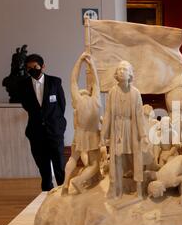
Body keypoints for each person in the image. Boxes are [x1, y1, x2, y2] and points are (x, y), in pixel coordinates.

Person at [101, 60, 148, 200]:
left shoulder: (135, 93)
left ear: (130, 74)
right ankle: (117, 190)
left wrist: (143, 135)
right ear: (116, 73)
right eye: (119, 69)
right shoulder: (112, 92)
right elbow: (108, 114)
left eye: (125, 69)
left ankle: (139, 190)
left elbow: (139, 115)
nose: (121, 71)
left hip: (131, 128)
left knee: (135, 158)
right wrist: (103, 134)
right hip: (117, 129)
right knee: (117, 159)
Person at [20, 54, 66, 191]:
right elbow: (26, 106)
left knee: (59, 165)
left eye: (35, 67)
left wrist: (59, 126)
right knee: (43, 166)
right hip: (36, 132)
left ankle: (63, 192)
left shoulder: (55, 82)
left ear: (42, 66)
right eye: (29, 68)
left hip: (55, 131)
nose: (32, 70)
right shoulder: (23, 85)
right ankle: (46, 193)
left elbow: (62, 106)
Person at [62, 52, 101, 195]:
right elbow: (97, 82)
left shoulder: (78, 101)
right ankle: (78, 181)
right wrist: (92, 65)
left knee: (73, 158)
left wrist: (79, 61)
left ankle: (65, 184)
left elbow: (73, 80)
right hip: (92, 135)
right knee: (94, 164)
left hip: (79, 134)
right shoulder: (95, 100)